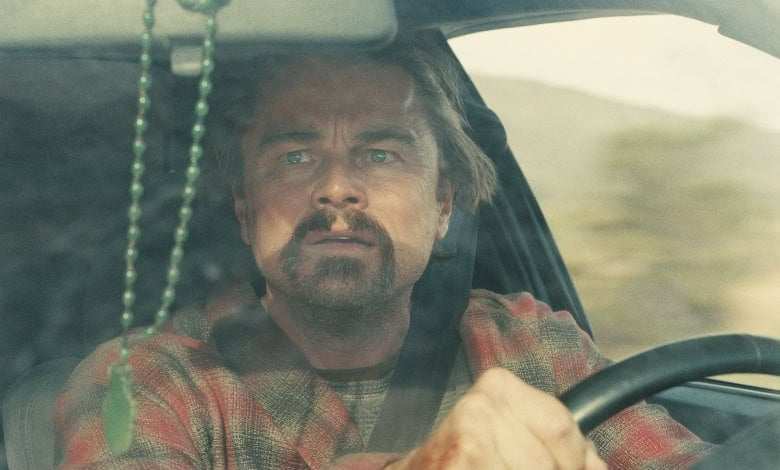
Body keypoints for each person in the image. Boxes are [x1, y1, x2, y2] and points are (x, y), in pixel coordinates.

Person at [55, 35, 712, 469]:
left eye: (381, 154)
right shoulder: (146, 381)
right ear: (245, 209)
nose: (337, 188)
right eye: (296, 156)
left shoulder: (528, 343)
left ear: (444, 204)